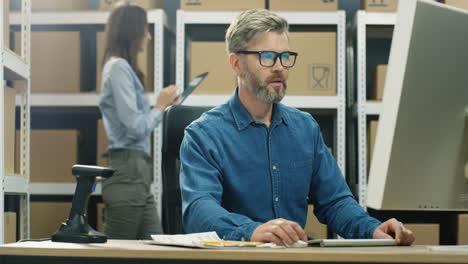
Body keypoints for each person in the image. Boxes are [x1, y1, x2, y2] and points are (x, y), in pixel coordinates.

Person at [179, 8, 415, 246]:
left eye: (285, 56)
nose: (280, 67)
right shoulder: (203, 134)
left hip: (293, 258)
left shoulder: (305, 128)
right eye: (267, 57)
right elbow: (199, 210)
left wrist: (373, 230)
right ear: (236, 64)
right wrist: (251, 231)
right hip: (235, 259)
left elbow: (335, 202)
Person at [98, 2, 179, 239]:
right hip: (127, 173)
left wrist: (163, 104)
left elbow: (136, 120)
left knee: (156, 249)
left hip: (139, 176)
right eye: (144, 28)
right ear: (131, 31)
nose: (148, 35)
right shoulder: (118, 68)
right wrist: (160, 105)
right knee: (117, 255)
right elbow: (134, 128)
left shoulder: (124, 69)